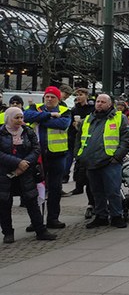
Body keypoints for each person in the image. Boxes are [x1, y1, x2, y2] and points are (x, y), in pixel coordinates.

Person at [0, 107, 57, 243]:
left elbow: (36, 149)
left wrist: (25, 163)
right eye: (16, 118)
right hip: (5, 174)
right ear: (9, 118)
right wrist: (17, 162)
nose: (20, 120)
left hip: (26, 172)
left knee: (32, 202)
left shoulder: (28, 131)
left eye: (21, 117)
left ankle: (40, 230)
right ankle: (8, 233)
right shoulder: (1, 133)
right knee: (4, 204)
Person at [78, 93, 129, 228]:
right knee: (96, 191)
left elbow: (127, 140)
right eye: (98, 101)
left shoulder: (120, 118)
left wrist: (116, 157)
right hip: (92, 161)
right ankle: (101, 216)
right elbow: (79, 139)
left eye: (103, 102)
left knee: (113, 191)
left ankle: (116, 216)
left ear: (110, 104)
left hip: (110, 162)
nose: (99, 104)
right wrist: (79, 156)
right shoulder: (88, 119)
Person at [23, 86, 71, 229]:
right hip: (37, 156)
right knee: (36, 189)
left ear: (58, 99)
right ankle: (36, 221)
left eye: (52, 97)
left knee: (55, 189)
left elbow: (62, 124)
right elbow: (26, 116)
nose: (49, 99)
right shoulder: (34, 107)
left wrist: (40, 119)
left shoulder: (65, 111)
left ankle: (53, 218)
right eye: (47, 96)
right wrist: (49, 115)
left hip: (57, 155)